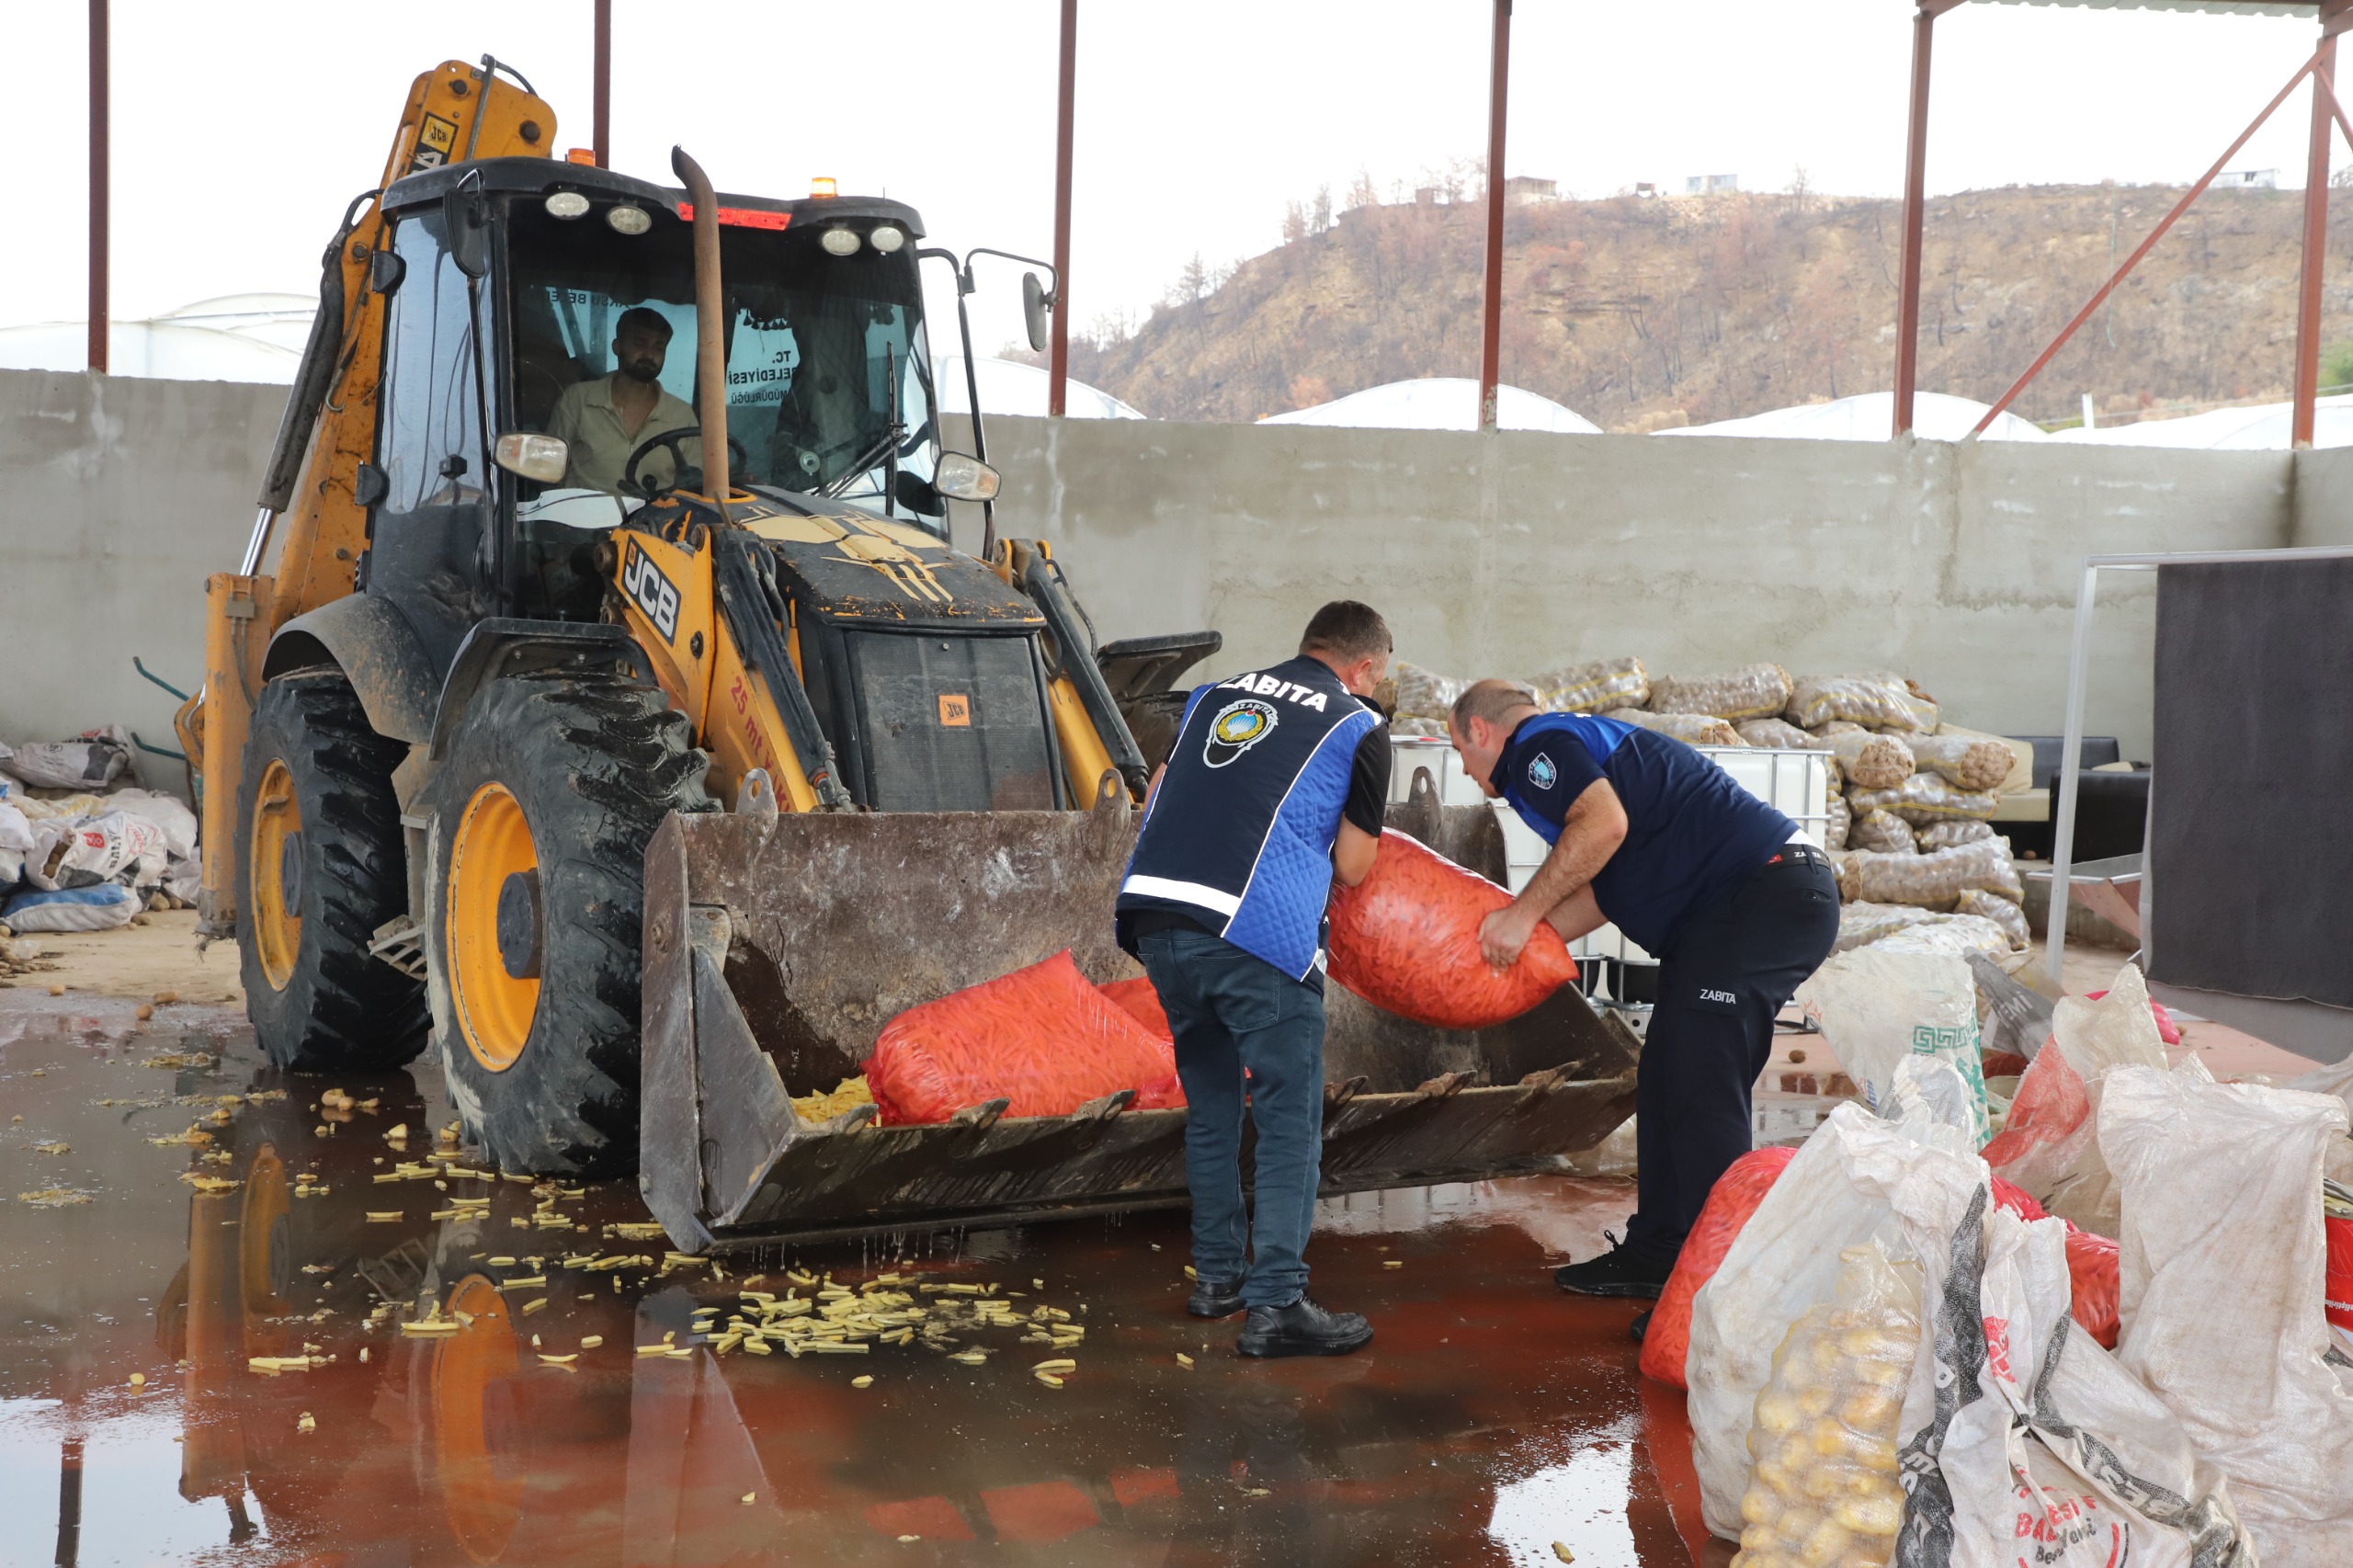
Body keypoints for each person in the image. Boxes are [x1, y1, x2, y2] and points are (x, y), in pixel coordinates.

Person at [1447, 679, 1838, 1334]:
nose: (1464, 768)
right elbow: (1603, 888)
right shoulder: (1574, 751)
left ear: (1480, 731)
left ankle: (1718, 1296)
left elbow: (1602, 826)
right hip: (1731, 913)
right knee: (1667, 1076)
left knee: (1702, 1086)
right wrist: (1515, 950)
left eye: (1460, 751)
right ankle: (1658, 1254)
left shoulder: (1537, 746)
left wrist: (1519, 915)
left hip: (1761, 896)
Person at [1116, 601, 1394, 1358]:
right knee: (1286, 1120)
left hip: (1157, 918)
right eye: (1378, 677)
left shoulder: (1212, 696)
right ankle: (1276, 1303)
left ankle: (1217, 1280)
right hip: (1255, 933)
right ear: (1364, 667)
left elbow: (1158, 798)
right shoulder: (1358, 724)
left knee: (1212, 1110)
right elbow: (1354, 866)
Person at [547, 307, 699, 495]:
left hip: (659, 514)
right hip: (582, 514)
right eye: (640, 343)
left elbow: (696, 486)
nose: (650, 355)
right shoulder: (578, 400)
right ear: (617, 346)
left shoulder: (682, 415)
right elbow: (547, 470)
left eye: (659, 348)